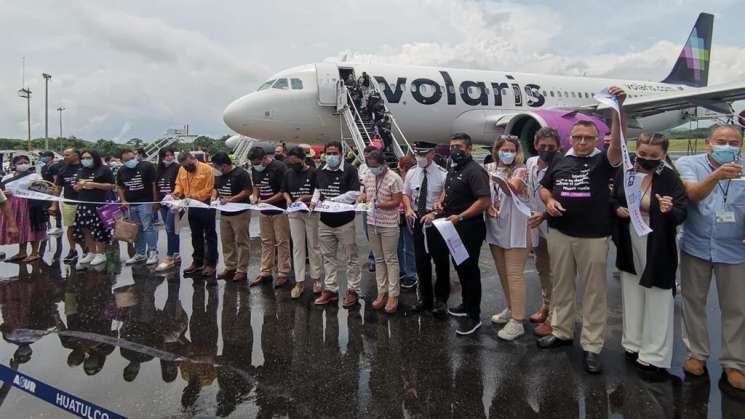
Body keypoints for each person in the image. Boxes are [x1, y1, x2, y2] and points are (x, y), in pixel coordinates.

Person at [537, 86, 624, 374]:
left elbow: (616, 147)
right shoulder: (560, 159)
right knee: (561, 285)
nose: (583, 142)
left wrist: (616, 109)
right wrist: (548, 202)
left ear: (596, 139)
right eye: (578, 137)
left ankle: (592, 345)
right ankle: (562, 332)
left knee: (594, 292)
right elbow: (545, 188)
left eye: (588, 138)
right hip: (561, 233)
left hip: (593, 236)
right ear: (570, 138)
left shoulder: (603, 160)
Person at [611, 133, 687, 374]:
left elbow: (682, 213)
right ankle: (632, 342)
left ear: (664, 155)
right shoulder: (627, 171)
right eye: (643, 154)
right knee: (631, 288)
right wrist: (618, 209)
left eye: (654, 156)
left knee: (658, 294)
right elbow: (613, 199)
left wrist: (669, 209)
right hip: (629, 237)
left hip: (657, 242)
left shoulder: (670, 178)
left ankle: (654, 354)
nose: (647, 159)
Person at [676, 124, 745, 391]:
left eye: (733, 142)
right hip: (697, 245)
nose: (727, 146)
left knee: (737, 308)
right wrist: (716, 175)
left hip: (735, 249)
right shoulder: (689, 163)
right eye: (721, 141)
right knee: (693, 302)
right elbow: (692, 194)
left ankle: (734, 363)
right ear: (708, 143)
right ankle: (696, 354)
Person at [422, 133, 490, 335]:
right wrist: (440, 202)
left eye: (459, 146)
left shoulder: (475, 171)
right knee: (460, 268)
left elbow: (484, 201)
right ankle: (465, 305)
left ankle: (474, 315)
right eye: (452, 146)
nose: (454, 150)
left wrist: (460, 216)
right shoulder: (454, 168)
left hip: (468, 227)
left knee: (469, 271)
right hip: (452, 227)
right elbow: (448, 191)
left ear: (469, 149)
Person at [485, 135, 530, 341]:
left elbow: (514, 188)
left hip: (516, 228)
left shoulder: (521, 170)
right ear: (497, 150)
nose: (508, 153)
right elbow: (484, 193)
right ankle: (511, 308)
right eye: (505, 149)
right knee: (503, 273)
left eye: (512, 150)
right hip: (496, 225)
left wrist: (498, 179)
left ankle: (518, 321)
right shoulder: (489, 168)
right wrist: (488, 205)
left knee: (514, 274)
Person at [311, 141, 362, 308]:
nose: (331, 156)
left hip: (345, 222)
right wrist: (313, 201)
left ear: (340, 154)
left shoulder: (350, 170)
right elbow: (318, 189)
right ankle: (331, 290)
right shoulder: (321, 170)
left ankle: (353, 290)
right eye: (329, 153)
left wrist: (333, 200)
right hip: (325, 222)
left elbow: (354, 193)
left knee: (351, 257)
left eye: (334, 153)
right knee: (328, 257)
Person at [403, 143, 449, 315]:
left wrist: (436, 213)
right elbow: (406, 194)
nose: (419, 157)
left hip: (437, 220)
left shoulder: (443, 175)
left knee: (441, 262)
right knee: (421, 261)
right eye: (417, 154)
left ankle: (441, 300)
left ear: (432, 153)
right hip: (417, 219)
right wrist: (407, 208)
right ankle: (425, 298)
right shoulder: (411, 173)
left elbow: (447, 197)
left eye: (423, 154)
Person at [525, 128, 561, 337]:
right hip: (536, 228)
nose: (546, 150)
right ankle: (546, 306)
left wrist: (545, 214)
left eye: (551, 147)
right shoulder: (530, 163)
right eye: (543, 146)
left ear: (558, 147)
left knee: (558, 274)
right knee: (542, 269)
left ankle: (554, 317)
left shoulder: (561, 166)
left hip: (555, 226)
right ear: (536, 145)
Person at [359, 149, 403, 313]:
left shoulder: (394, 178)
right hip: (372, 222)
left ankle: (393, 295)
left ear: (383, 164)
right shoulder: (369, 176)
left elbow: (397, 202)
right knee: (378, 259)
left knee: (390, 259)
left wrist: (377, 205)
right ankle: (381, 292)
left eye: (375, 166)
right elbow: (365, 194)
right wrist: (361, 198)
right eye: (370, 167)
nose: (372, 170)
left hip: (389, 224)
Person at [281, 146, 323, 298]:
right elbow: (284, 190)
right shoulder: (288, 173)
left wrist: (306, 197)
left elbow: (320, 192)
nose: (292, 165)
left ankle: (317, 279)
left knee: (314, 245)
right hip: (294, 213)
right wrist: (288, 200)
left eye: (295, 162)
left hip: (311, 213)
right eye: (290, 163)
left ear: (303, 159)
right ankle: (299, 282)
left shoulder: (314, 172)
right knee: (298, 247)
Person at [247, 147, 291, 288]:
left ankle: (283, 273)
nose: (256, 166)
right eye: (253, 163)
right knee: (266, 241)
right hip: (264, 211)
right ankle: (265, 272)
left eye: (258, 162)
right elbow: (256, 185)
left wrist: (266, 201)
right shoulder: (255, 168)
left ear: (265, 158)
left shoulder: (279, 167)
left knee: (282, 241)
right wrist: (255, 197)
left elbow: (283, 191)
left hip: (279, 210)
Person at [172, 151, 218, 277]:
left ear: (193, 159)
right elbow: (179, 184)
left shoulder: (207, 169)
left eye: (187, 165)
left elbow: (209, 189)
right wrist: (176, 193)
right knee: (196, 235)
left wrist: (192, 196)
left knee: (210, 235)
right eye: (183, 166)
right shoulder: (182, 169)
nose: (186, 168)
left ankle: (211, 264)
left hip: (205, 205)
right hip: (191, 206)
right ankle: (197, 262)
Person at [211, 152, 253, 282]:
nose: (215, 169)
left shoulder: (241, 174)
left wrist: (231, 199)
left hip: (240, 212)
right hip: (224, 213)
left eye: (216, 166)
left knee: (242, 242)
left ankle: (241, 270)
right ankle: (230, 266)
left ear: (224, 165)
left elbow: (247, 191)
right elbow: (216, 188)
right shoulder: (219, 175)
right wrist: (214, 196)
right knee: (226, 241)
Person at [0, 155, 48, 262]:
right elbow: (1, 192)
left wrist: (39, 184)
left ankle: (35, 252)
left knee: (33, 227)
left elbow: (43, 188)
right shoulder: (7, 177)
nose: (23, 165)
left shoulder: (35, 176)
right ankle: (22, 252)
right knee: (20, 228)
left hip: (31, 205)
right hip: (13, 206)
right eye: (20, 163)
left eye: (25, 162)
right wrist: (4, 193)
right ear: (14, 165)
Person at [73, 150, 116, 267]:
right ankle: (91, 251)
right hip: (84, 204)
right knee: (86, 229)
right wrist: (79, 186)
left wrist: (94, 185)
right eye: (83, 158)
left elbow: (111, 185)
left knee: (99, 229)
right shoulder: (81, 171)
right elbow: (75, 187)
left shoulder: (104, 169)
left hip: (100, 204)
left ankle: (101, 253)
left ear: (95, 158)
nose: (85, 160)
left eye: (88, 157)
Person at [117, 149, 159, 266]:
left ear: (135, 156)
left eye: (131, 158)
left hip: (145, 202)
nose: (129, 161)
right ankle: (140, 253)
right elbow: (120, 187)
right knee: (137, 229)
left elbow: (153, 184)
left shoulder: (147, 166)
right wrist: (123, 200)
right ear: (122, 161)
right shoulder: (122, 170)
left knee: (148, 227)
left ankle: (152, 252)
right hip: (131, 204)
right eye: (126, 160)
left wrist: (155, 201)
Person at [51, 148, 84, 264]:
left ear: (76, 155)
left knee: (87, 228)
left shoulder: (85, 167)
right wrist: (54, 205)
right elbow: (58, 188)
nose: (64, 157)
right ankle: (72, 250)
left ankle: (88, 251)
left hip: (85, 203)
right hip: (69, 203)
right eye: (64, 155)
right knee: (70, 227)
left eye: (67, 155)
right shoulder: (63, 170)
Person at [154, 148, 182, 272]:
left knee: (170, 227)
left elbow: (181, 184)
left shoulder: (177, 168)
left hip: (174, 203)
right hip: (163, 202)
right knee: (170, 229)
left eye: (171, 155)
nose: (169, 157)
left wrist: (176, 196)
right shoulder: (158, 169)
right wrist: (156, 202)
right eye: (166, 156)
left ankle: (169, 256)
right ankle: (176, 253)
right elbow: (156, 186)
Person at [358, 146, 378, 272]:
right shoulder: (362, 167)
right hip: (365, 206)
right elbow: (361, 186)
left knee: (378, 233)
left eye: (369, 157)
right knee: (368, 233)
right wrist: (361, 196)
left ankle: (375, 259)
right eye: (365, 157)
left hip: (378, 206)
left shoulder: (378, 168)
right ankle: (374, 257)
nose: (366, 159)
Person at [39, 151, 63, 236]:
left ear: (50, 157)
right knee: (46, 207)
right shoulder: (44, 168)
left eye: (44, 156)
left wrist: (54, 189)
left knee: (55, 206)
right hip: (45, 190)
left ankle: (58, 226)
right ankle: (47, 226)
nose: (42, 158)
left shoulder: (55, 167)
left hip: (53, 189)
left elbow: (56, 179)